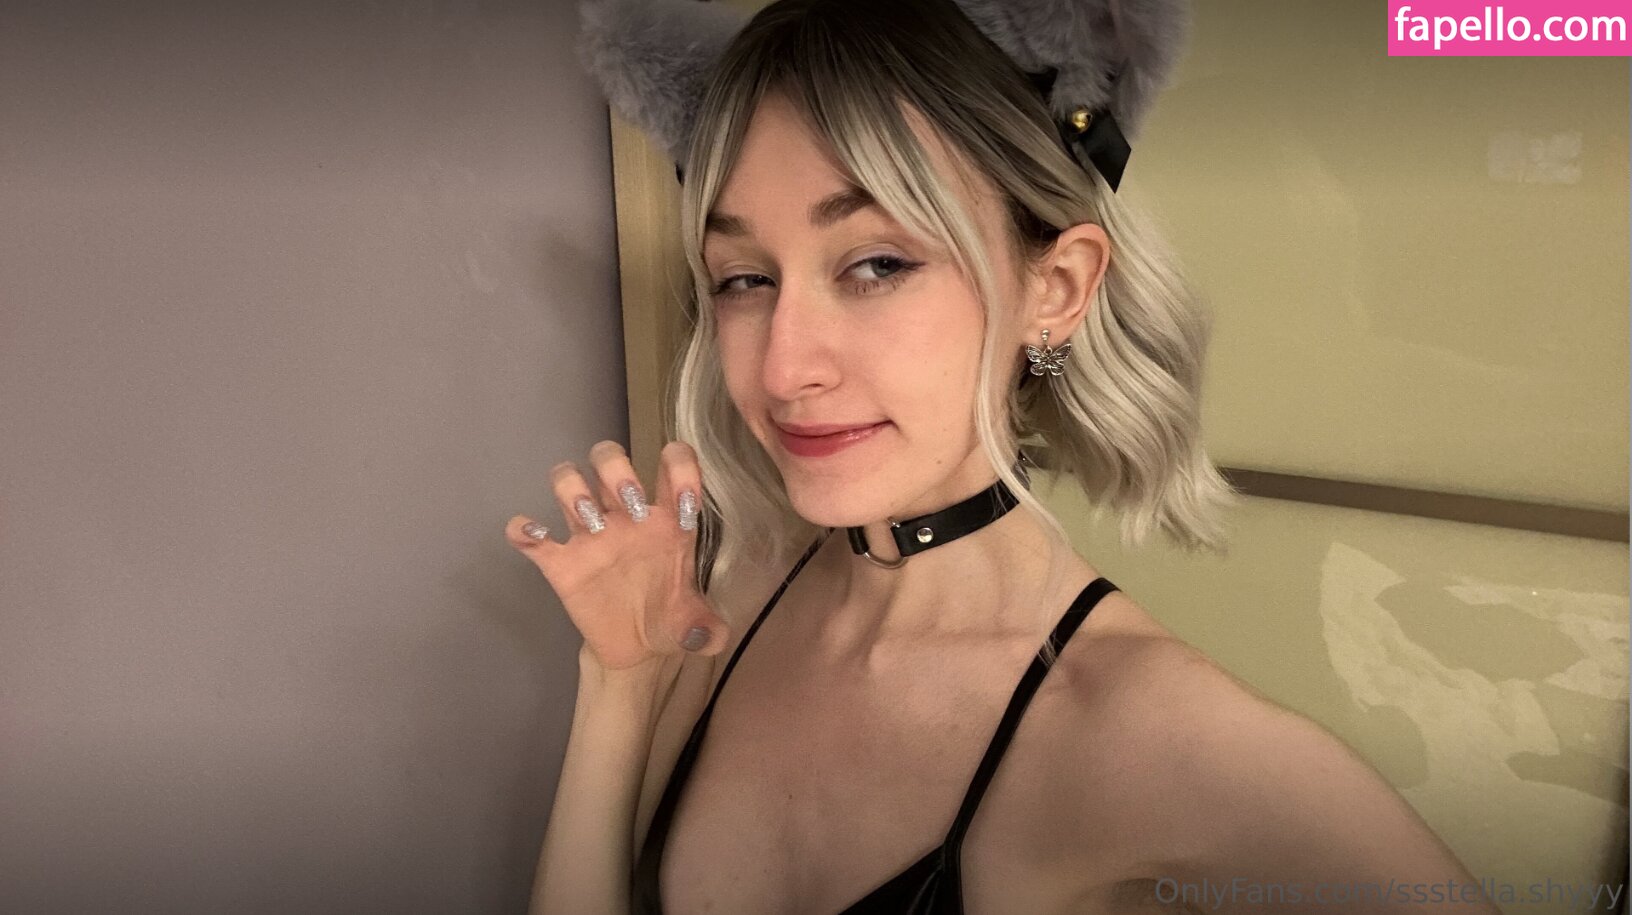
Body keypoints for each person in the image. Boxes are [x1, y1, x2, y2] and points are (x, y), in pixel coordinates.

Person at [508, 0, 1499, 912]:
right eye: (743, 278)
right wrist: (620, 685)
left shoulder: (1153, 735)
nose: (783, 367)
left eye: (877, 264)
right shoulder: (734, 600)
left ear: (1055, 290)